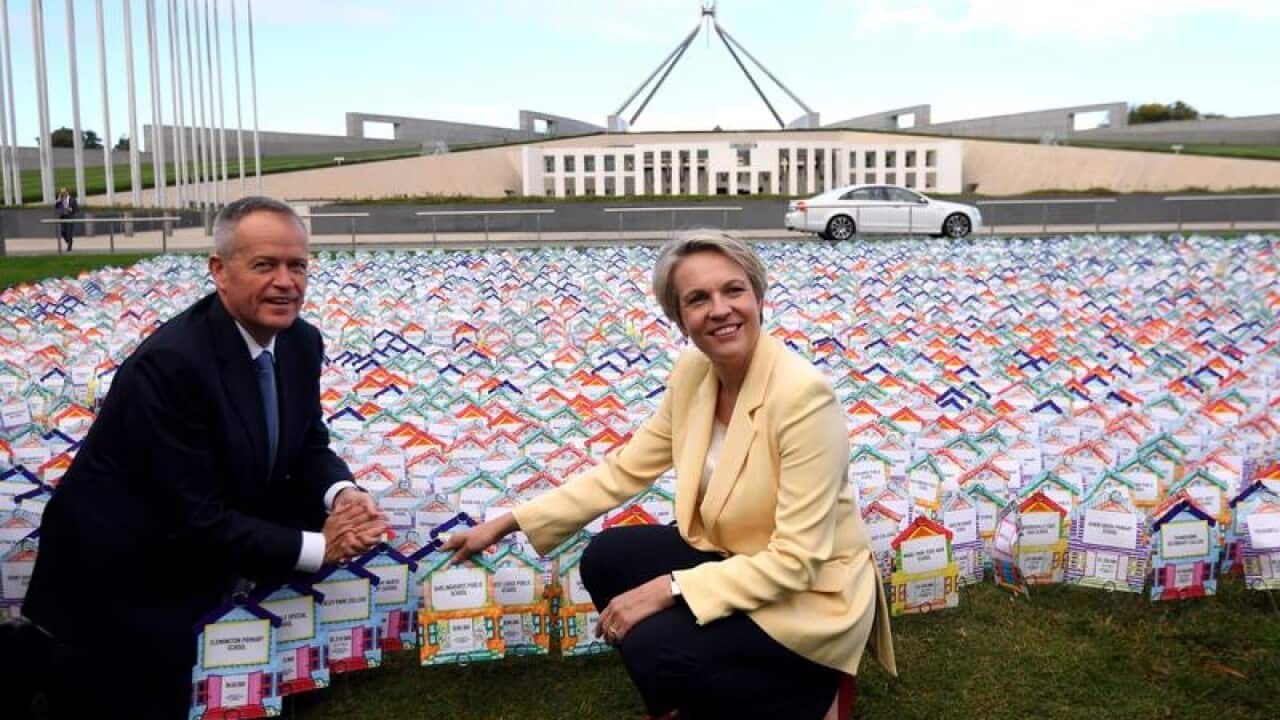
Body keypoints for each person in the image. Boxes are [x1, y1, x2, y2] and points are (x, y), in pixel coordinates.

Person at [444, 230, 896, 719]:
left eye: (733, 290)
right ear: (680, 320)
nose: (720, 309)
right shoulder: (693, 373)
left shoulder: (803, 396)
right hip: (733, 552)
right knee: (607, 559)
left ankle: (810, 688)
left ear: (759, 298)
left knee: (652, 643)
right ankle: (709, 692)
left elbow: (797, 561)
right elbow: (622, 472)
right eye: (698, 299)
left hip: (808, 590)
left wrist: (667, 588)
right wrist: (505, 523)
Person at [21, 196, 388, 720]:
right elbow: (192, 518)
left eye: (297, 265)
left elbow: (306, 442)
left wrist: (343, 494)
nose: (286, 281)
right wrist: (320, 545)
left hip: (197, 551)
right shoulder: (171, 363)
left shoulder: (301, 341)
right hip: (123, 581)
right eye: (265, 265)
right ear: (218, 270)